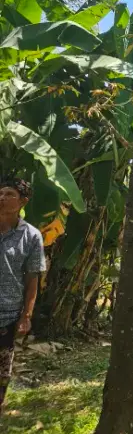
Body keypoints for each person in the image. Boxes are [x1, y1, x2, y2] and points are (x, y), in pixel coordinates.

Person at [0, 178, 45, 415]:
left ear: (23, 201)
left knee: (1, 375)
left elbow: (32, 280)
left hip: (7, 317)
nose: (2, 198)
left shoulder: (31, 236)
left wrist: (26, 315)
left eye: (9, 194)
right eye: (0, 193)